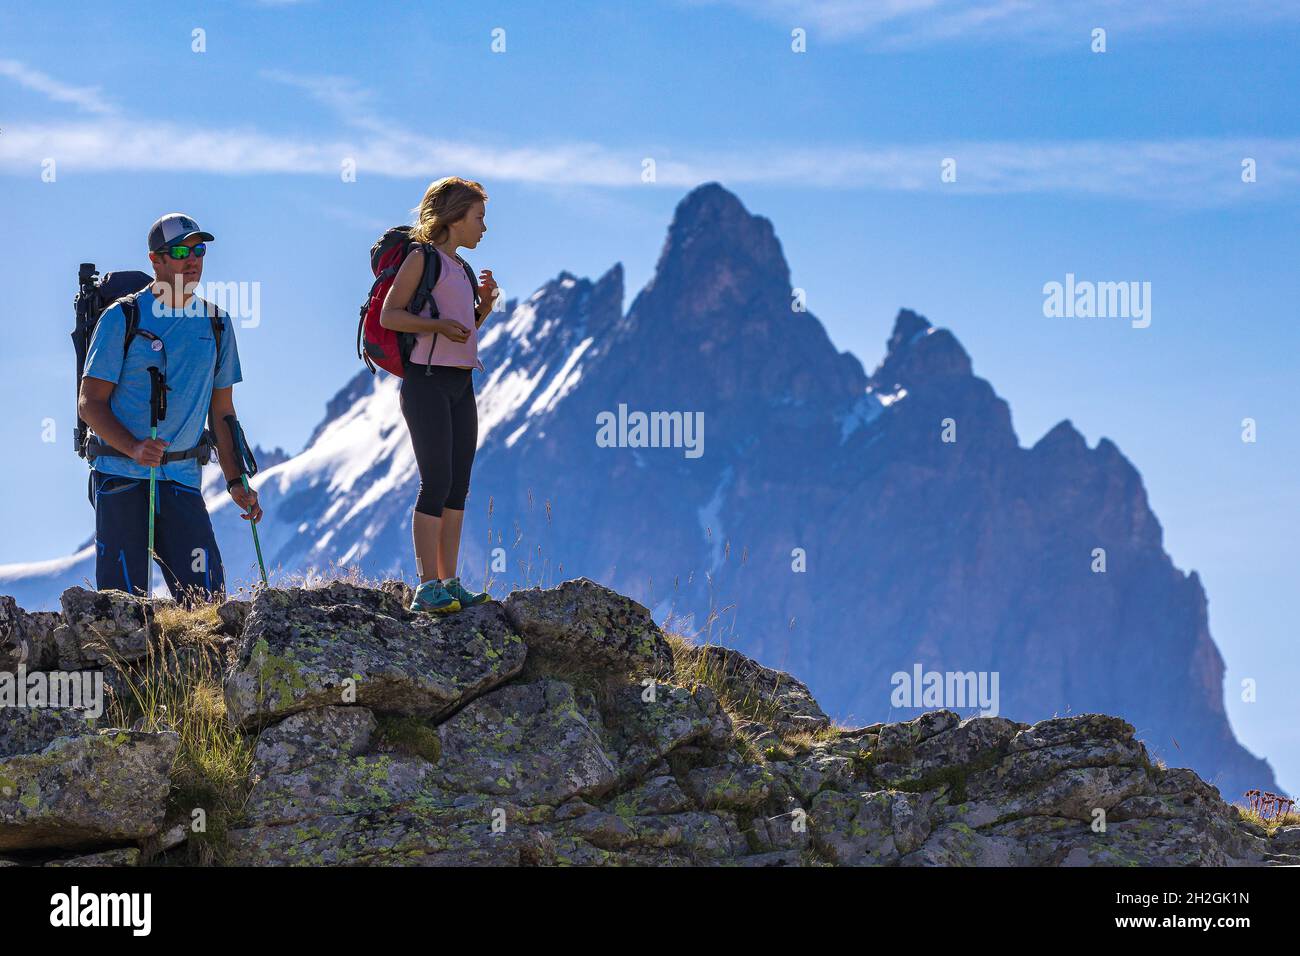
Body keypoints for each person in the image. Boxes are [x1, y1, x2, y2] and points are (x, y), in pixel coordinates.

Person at [78, 213, 262, 601]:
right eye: (180, 251)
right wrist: (134, 448)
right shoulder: (123, 317)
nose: (192, 259)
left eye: (199, 249)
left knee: (208, 603)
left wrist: (235, 481)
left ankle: (198, 666)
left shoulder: (217, 323)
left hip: (181, 481)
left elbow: (222, 411)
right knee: (122, 608)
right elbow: (90, 403)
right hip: (120, 476)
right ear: (155, 260)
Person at [380, 177, 497, 613]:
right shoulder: (421, 259)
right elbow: (392, 315)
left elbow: (462, 331)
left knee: (458, 483)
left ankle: (448, 581)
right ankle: (426, 585)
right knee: (436, 481)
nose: (484, 228)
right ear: (453, 218)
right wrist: (436, 326)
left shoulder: (462, 270)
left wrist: (482, 306)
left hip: (460, 382)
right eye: (478, 217)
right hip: (425, 381)